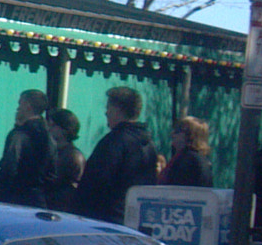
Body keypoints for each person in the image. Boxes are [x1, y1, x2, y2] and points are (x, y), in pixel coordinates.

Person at [70, 86, 158, 224]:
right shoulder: (149, 144)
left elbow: (95, 182)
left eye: (108, 108)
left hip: (106, 220)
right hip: (136, 219)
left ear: (118, 110)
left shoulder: (114, 141)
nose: (106, 113)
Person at [0, 89, 54, 207]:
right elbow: (53, 171)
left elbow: (9, 166)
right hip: (39, 200)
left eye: (20, 104)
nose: (17, 108)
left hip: (15, 199)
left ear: (28, 106)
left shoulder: (20, 135)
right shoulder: (49, 136)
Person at [44, 107, 84, 212]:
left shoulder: (73, 156)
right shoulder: (52, 151)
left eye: (52, 125)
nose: (49, 129)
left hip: (62, 209)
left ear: (64, 129)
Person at [161, 116, 214, 187]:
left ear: (191, 135)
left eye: (178, 131)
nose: (172, 134)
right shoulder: (196, 158)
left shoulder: (189, 160)